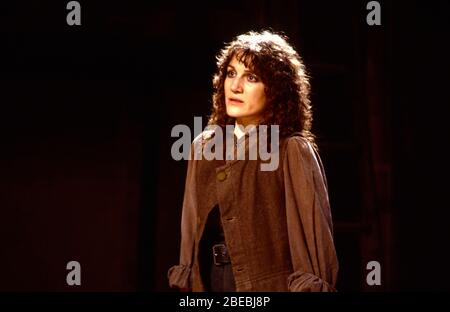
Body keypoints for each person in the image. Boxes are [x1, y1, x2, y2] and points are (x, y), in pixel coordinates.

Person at [168, 30, 338, 292]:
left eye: (251, 77)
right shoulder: (203, 146)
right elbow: (190, 236)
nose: (235, 87)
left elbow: (312, 241)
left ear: (276, 89)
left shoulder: (290, 148)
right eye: (231, 73)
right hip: (211, 283)